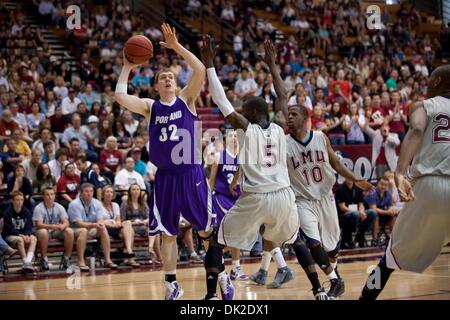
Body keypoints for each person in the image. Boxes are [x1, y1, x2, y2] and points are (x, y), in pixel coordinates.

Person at [115, 24, 221, 300]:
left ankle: (220, 278)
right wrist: (127, 65)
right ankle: (172, 284)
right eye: (162, 78)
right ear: (157, 85)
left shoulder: (187, 98)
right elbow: (120, 96)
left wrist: (176, 47)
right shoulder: (151, 107)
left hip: (190, 172)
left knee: (206, 230)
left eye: (171, 78)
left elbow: (199, 70)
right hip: (165, 177)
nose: (167, 80)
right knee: (167, 233)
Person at [200, 36, 299, 300]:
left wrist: (209, 63)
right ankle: (318, 284)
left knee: (216, 242)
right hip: (284, 197)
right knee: (291, 238)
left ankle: (212, 294)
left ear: (252, 114)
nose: (240, 113)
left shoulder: (247, 128)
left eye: (244, 110)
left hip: (256, 197)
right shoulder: (280, 123)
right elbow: (283, 95)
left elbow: (221, 100)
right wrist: (272, 65)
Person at [360, 65, 450, 300]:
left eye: (430, 80)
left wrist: (399, 173)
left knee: (389, 257)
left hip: (429, 184)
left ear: (438, 80)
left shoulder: (424, 105)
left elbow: (418, 128)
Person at [208, 130, 247, 281]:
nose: (234, 138)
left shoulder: (243, 157)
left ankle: (235, 268)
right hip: (221, 199)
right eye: (231, 135)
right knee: (221, 235)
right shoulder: (219, 156)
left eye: (236, 136)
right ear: (225, 140)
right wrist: (208, 198)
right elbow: (211, 180)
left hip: (238, 200)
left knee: (236, 234)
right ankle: (219, 264)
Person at [68, 183, 118, 270]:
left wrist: (100, 224)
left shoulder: (97, 203)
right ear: (81, 193)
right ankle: (81, 261)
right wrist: (94, 224)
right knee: (83, 231)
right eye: (87, 191)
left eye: (91, 191)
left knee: (103, 229)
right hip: (75, 228)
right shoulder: (74, 204)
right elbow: (78, 223)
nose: (89, 193)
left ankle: (108, 260)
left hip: (91, 227)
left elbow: (100, 219)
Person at [33, 187, 74, 270]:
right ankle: (44, 259)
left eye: (52, 194)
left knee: (69, 231)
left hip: (55, 230)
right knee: (44, 232)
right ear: (43, 197)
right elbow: (39, 224)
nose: (50, 197)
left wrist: (63, 226)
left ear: (54, 196)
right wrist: (52, 226)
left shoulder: (59, 207)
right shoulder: (38, 208)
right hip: (41, 231)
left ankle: (67, 258)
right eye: (47, 195)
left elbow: (66, 222)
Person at [101, 185, 140, 267]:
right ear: (103, 194)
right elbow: (99, 221)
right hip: (105, 227)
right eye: (107, 192)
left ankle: (129, 252)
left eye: (111, 192)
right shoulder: (98, 205)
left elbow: (118, 218)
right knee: (129, 232)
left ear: (113, 195)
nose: (109, 194)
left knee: (128, 224)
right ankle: (130, 257)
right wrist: (112, 225)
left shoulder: (115, 205)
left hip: (115, 227)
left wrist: (118, 223)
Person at [335, 178, 377, 248]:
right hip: (343, 215)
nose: (350, 179)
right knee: (355, 214)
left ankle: (360, 235)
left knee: (372, 213)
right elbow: (342, 207)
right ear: (345, 178)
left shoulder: (357, 188)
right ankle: (347, 238)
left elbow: (361, 204)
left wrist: (362, 212)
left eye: (350, 176)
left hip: (356, 213)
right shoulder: (340, 189)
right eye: (347, 176)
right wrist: (357, 212)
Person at [1, 192, 36, 272]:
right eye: (17, 200)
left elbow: (29, 226)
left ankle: (28, 262)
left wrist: (27, 235)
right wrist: (20, 235)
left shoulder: (26, 211)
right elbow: (8, 228)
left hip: (23, 235)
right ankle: (26, 263)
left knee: (33, 238)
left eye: (21, 200)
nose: (20, 202)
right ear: (12, 201)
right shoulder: (7, 212)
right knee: (20, 240)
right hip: (9, 235)